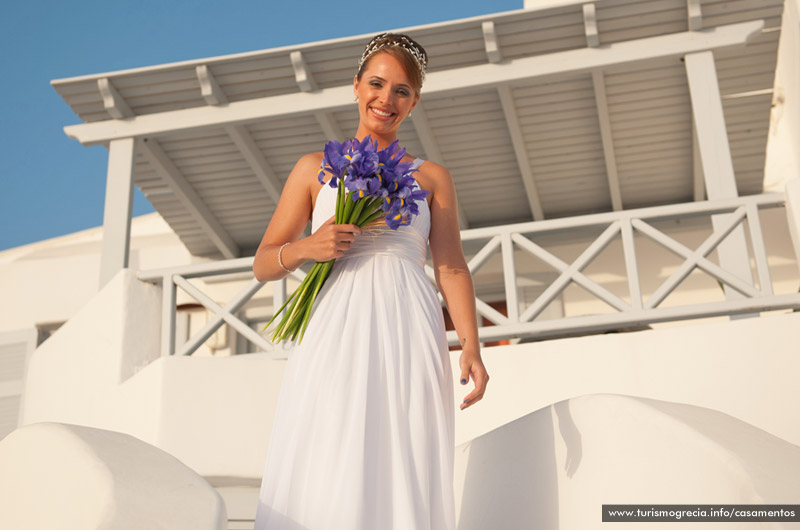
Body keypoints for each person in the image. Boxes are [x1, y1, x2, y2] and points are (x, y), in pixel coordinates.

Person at [252, 32, 489, 530]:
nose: (387, 99)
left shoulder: (433, 179)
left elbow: (450, 266)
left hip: (410, 324)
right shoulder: (311, 170)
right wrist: (307, 249)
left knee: (404, 442)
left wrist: (471, 344)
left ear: (414, 102)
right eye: (377, 85)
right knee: (330, 438)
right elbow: (264, 262)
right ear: (356, 87)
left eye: (401, 91)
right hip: (337, 322)